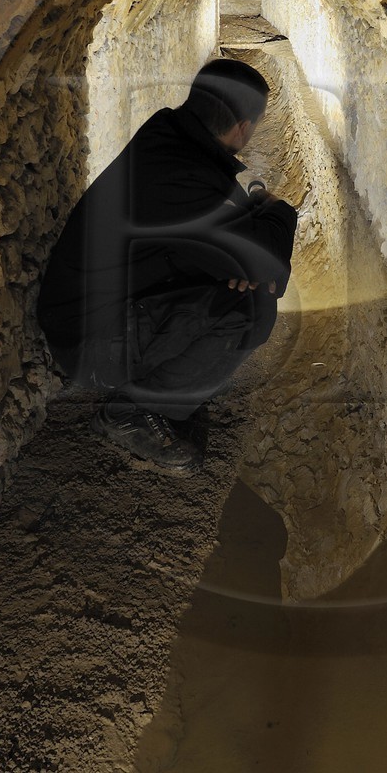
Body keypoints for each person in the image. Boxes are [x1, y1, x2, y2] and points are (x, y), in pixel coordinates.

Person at [37, 58, 299, 473]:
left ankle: (161, 386)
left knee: (234, 281)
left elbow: (224, 225)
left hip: (90, 311)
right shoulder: (182, 175)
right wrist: (280, 211)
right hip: (90, 343)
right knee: (251, 307)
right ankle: (133, 412)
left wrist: (240, 255)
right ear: (244, 128)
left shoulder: (169, 135)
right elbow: (268, 267)